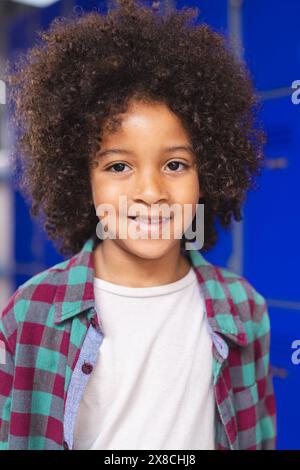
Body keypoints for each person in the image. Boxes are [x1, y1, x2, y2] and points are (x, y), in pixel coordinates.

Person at [0, 0, 276, 450]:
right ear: (78, 176)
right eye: (117, 167)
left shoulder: (245, 311)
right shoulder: (30, 315)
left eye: (174, 164)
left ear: (208, 172)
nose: (150, 192)